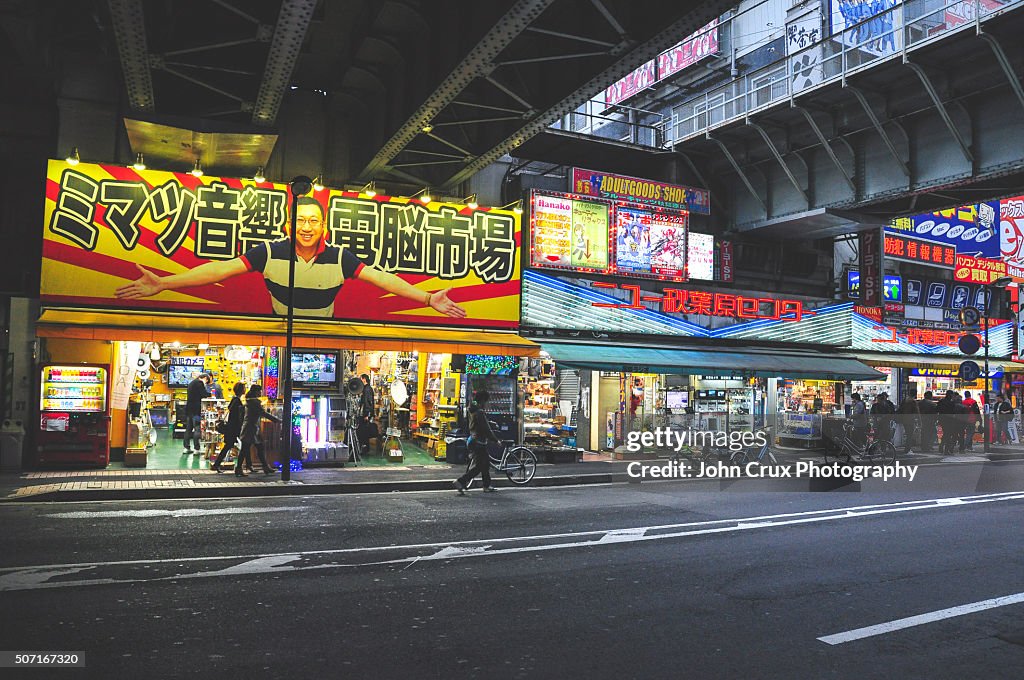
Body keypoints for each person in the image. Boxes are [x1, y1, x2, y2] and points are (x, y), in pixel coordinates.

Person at [116, 196, 467, 320]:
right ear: (290, 224)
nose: (307, 226)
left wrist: (426, 298)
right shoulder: (270, 251)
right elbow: (219, 270)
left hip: (323, 335)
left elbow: (381, 277)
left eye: (314, 221)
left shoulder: (340, 257)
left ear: (323, 226)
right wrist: (164, 283)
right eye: (300, 220)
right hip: (279, 329)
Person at [454, 390, 500, 494]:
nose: (487, 403)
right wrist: (495, 440)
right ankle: (460, 481)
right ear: (483, 400)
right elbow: (486, 428)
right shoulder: (480, 412)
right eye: (486, 401)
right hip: (479, 442)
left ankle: (486, 485)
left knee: (485, 464)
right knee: (480, 466)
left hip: (474, 440)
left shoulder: (472, 410)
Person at [236, 384, 280, 476]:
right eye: (259, 391)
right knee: (246, 449)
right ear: (255, 392)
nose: (260, 392)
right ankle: (239, 469)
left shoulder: (251, 401)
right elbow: (263, 413)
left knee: (257, 447)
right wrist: (276, 420)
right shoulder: (255, 402)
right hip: (250, 429)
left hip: (251, 428)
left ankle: (265, 467)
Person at [211, 382, 245, 473]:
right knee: (242, 446)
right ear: (241, 390)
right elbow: (237, 416)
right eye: (244, 388)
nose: (245, 389)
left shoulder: (234, 399)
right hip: (234, 428)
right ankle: (218, 465)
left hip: (231, 427)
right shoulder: (237, 401)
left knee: (229, 446)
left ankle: (216, 465)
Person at [183, 373, 211, 455]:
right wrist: (211, 395)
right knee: (197, 429)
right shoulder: (199, 383)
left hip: (189, 410)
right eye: (206, 381)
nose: (205, 383)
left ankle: (186, 447)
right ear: (205, 378)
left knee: (188, 429)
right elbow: (204, 394)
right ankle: (196, 449)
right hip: (196, 410)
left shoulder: (191, 383)